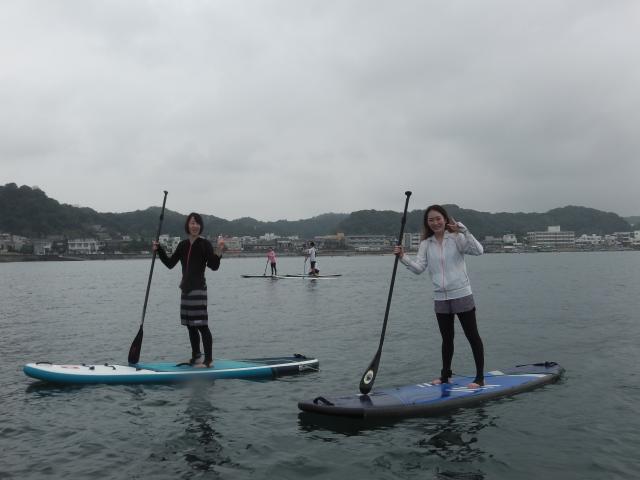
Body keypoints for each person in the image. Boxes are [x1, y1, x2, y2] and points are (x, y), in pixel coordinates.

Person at [394, 204, 485, 388]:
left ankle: (480, 378)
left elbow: (478, 250)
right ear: (427, 223)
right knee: (447, 339)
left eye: (438, 219)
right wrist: (403, 257)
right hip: (441, 298)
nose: (435, 223)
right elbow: (419, 268)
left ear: (445, 219)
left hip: (462, 294)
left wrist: (464, 230)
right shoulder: (426, 244)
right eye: (431, 220)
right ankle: (445, 376)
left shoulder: (457, 238)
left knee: (472, 336)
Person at [152, 213, 224, 368]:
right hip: (185, 290)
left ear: (200, 226)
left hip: (198, 289)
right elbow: (170, 263)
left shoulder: (204, 244)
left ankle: (208, 360)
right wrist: (159, 250)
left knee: (201, 325)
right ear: (188, 225)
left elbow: (214, 266)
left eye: (197, 223)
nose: (195, 225)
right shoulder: (183, 245)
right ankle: (196, 356)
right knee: (190, 325)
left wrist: (219, 249)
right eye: (192, 223)